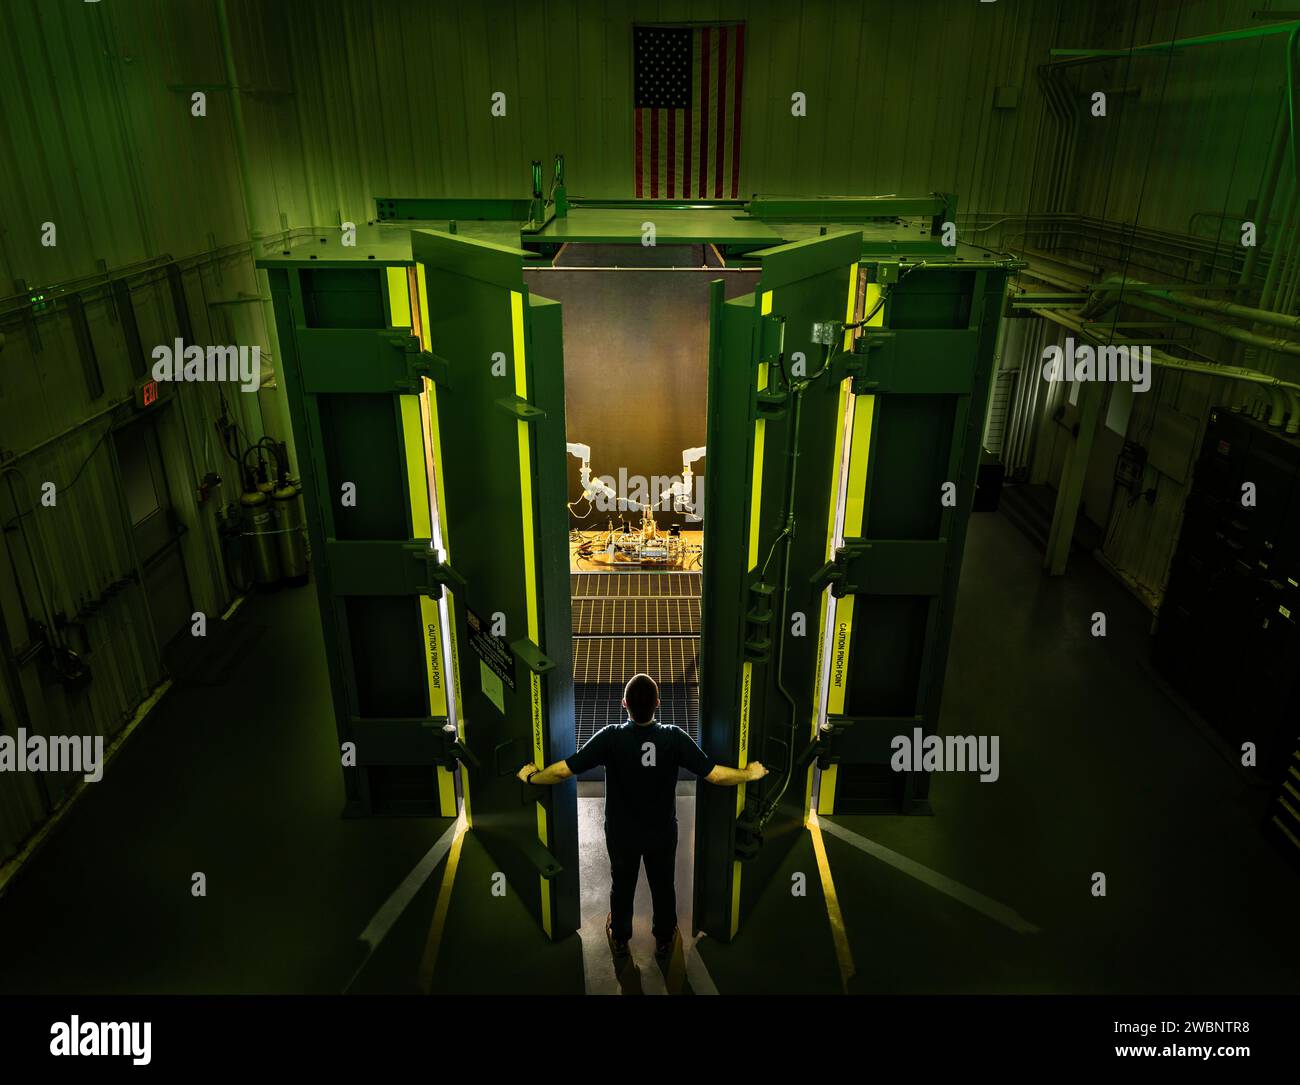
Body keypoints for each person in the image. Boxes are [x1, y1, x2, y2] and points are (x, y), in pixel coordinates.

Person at [518, 672, 766, 961]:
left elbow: (564, 770)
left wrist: (533, 778)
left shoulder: (610, 737)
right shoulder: (674, 738)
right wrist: (750, 773)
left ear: (624, 704)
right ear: (658, 704)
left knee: (621, 884)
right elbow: (716, 775)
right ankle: (664, 939)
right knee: (663, 885)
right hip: (661, 833)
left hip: (622, 834)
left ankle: (621, 938)